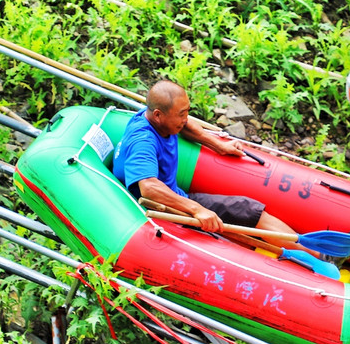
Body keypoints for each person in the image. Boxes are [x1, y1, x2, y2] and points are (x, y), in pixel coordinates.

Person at [113, 80, 310, 252]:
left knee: (246, 209)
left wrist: (218, 145)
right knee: (232, 228)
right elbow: (148, 187)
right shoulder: (143, 140)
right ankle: (310, 258)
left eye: (187, 111)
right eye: (181, 114)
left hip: (178, 198)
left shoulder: (157, 117)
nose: (186, 118)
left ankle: (315, 252)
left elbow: (186, 126)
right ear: (158, 115)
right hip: (167, 212)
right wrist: (197, 209)